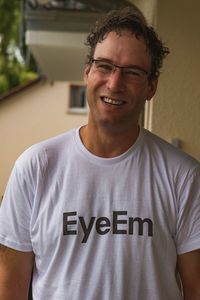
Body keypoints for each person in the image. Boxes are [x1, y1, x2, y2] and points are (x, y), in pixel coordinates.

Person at [0, 5, 200, 300]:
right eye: (104, 66)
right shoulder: (36, 166)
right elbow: (10, 283)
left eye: (132, 72)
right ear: (87, 72)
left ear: (152, 86)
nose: (114, 83)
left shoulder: (182, 176)